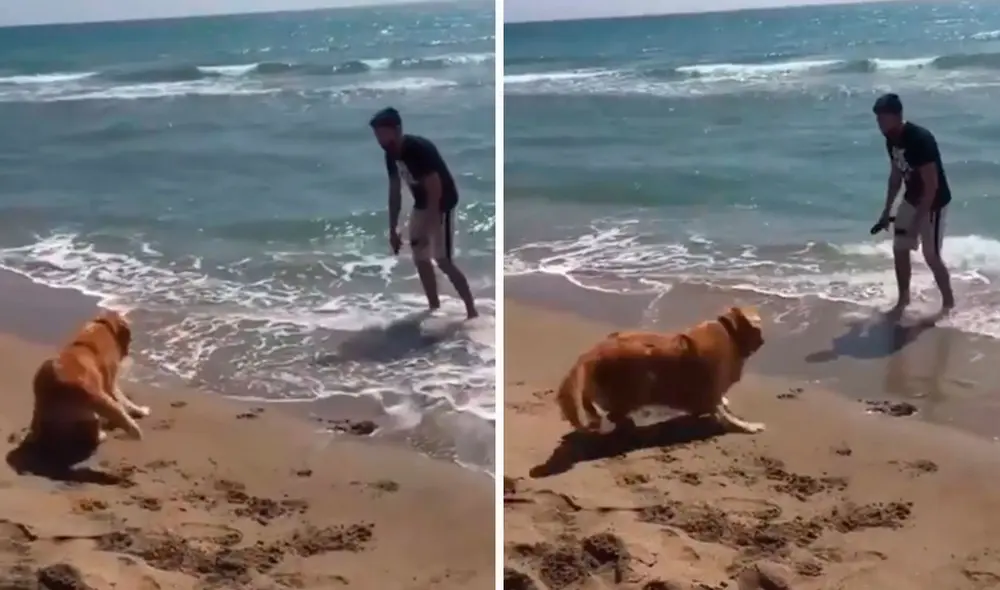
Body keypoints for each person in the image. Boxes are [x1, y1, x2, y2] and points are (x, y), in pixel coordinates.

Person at [369, 107, 478, 319]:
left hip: (441, 203)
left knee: (443, 260)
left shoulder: (416, 150)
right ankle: (434, 307)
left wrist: (430, 224)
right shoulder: (390, 154)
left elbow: (435, 188)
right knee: (420, 257)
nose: (380, 140)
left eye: (383, 134)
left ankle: (472, 312)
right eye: (377, 136)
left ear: (397, 130)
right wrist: (393, 229)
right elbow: (394, 191)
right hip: (422, 203)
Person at [872, 92, 955, 314]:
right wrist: (886, 211)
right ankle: (903, 300)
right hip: (911, 197)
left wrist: (918, 222)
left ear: (897, 116)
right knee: (899, 247)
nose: (879, 123)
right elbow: (896, 177)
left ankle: (948, 304)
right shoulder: (891, 139)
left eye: (883, 117)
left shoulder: (920, 139)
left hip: (934, 202)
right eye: (877, 118)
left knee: (931, 255)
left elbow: (932, 186)